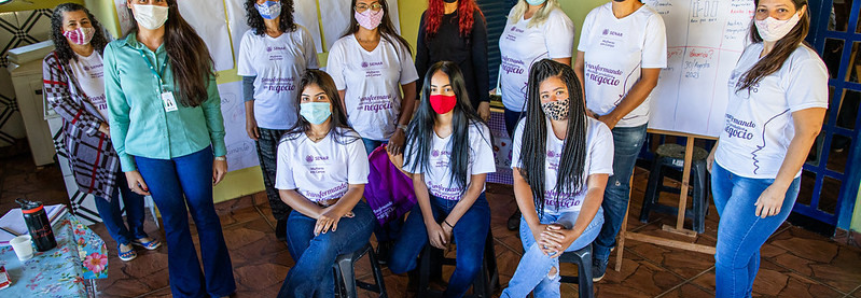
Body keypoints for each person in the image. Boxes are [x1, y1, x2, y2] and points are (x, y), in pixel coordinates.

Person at [103, 0, 235, 296]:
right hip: (148, 154)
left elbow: (211, 103)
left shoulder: (190, 44)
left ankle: (221, 286)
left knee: (205, 214)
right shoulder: (116, 53)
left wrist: (220, 151)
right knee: (173, 222)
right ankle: (188, 291)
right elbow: (118, 114)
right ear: (129, 4)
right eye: (143, 0)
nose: (151, 5)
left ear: (169, 4)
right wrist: (127, 165)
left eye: (158, 0)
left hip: (193, 147)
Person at [706, 0, 827, 296]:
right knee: (743, 249)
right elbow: (739, 107)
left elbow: (808, 130)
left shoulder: (804, 64)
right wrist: (718, 148)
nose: (770, 17)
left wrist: (780, 186)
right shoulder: (752, 52)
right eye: (763, 10)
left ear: (800, 12)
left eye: (781, 10)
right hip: (726, 167)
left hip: (761, 179)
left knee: (728, 259)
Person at [43, 2, 161, 263]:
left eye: (84, 22)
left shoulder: (109, 50)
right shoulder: (55, 62)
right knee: (104, 191)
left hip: (127, 131)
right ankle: (120, 239)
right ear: (61, 30)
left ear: (93, 24)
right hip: (89, 139)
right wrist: (101, 127)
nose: (80, 28)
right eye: (72, 24)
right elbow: (61, 102)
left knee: (133, 184)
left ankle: (138, 232)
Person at [500, 59, 612, 298]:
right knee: (548, 267)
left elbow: (595, 191)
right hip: (538, 212)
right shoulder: (526, 129)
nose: (553, 101)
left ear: (572, 89)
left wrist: (573, 233)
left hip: (580, 215)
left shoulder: (598, 132)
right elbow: (521, 180)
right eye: (545, 95)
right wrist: (535, 226)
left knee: (547, 249)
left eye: (559, 92)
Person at [573, 0, 667, 280]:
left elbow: (649, 80)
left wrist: (612, 119)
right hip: (589, 117)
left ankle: (602, 249)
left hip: (625, 125)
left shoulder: (650, 22)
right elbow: (579, 65)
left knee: (614, 187)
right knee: (583, 181)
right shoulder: (595, 16)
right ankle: (583, 238)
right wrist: (584, 107)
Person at [388, 61, 496, 298]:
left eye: (447, 88)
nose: (440, 95)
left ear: (458, 90)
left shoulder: (476, 130)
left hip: (469, 204)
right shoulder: (419, 128)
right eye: (434, 89)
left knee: (469, 266)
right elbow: (418, 181)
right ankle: (426, 275)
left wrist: (447, 225)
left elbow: (476, 186)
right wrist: (430, 223)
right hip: (431, 201)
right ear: (426, 92)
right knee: (397, 263)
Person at [325, 0, 419, 261]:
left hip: (394, 133)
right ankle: (386, 242)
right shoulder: (342, 49)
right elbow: (338, 98)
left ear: (383, 10)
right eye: (363, 5)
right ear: (354, 11)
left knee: (399, 189)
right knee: (375, 193)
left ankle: (398, 240)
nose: (370, 12)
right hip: (362, 134)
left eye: (375, 5)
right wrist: (349, 136)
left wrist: (401, 128)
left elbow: (411, 91)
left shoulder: (396, 46)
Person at [275, 70, 374, 298]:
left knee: (325, 243)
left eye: (320, 97)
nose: (313, 104)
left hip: (350, 209)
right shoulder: (289, 143)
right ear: (299, 104)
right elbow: (286, 192)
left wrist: (336, 212)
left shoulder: (350, 139)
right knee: (317, 264)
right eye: (306, 99)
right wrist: (321, 213)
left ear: (332, 101)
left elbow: (357, 189)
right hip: (305, 211)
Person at [238, 0, 319, 241]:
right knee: (274, 173)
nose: (268, 3)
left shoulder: (300, 35)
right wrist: (249, 117)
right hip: (265, 121)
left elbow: (315, 75)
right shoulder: (250, 39)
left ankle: (307, 214)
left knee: (304, 170)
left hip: (299, 120)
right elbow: (247, 82)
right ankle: (283, 219)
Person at [498, 0, 575, 232]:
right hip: (512, 104)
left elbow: (562, 73)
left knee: (538, 161)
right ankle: (527, 205)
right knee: (524, 161)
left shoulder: (556, 20)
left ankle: (535, 212)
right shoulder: (516, 11)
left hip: (537, 108)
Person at [415, 0, 490, 121]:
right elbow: (421, 59)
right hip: (436, 95)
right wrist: (415, 95)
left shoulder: (473, 17)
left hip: (465, 94)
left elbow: (480, 61)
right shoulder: (427, 18)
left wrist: (484, 99)